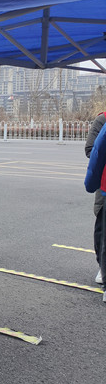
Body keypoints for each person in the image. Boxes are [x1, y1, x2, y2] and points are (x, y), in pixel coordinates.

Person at [84, 110, 105, 285]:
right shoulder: (102, 119)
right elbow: (91, 149)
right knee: (102, 229)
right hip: (104, 185)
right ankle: (102, 267)